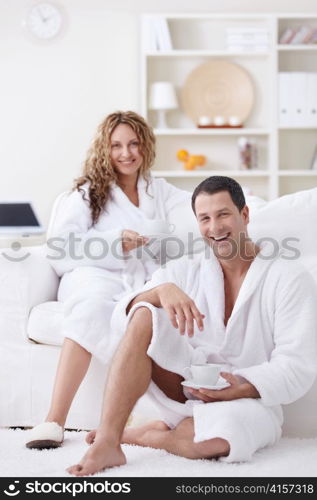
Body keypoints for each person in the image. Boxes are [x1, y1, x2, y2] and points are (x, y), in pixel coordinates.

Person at [66, 176, 317, 476]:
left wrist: (243, 386)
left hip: (247, 398)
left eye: (223, 214)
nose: (215, 228)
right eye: (205, 219)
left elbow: (296, 365)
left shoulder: (288, 277)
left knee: (213, 442)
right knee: (146, 310)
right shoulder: (184, 269)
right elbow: (124, 317)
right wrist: (159, 292)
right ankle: (108, 441)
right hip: (182, 386)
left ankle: (150, 435)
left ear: (245, 215)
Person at [25, 111, 192, 449]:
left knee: (154, 319)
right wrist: (115, 243)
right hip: (94, 275)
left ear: (145, 146)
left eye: (133, 144)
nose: (126, 153)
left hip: (141, 279)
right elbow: (59, 249)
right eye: (116, 145)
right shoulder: (88, 193)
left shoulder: (159, 191)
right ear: (105, 148)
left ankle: (153, 418)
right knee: (89, 311)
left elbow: (192, 215)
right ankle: (54, 419)